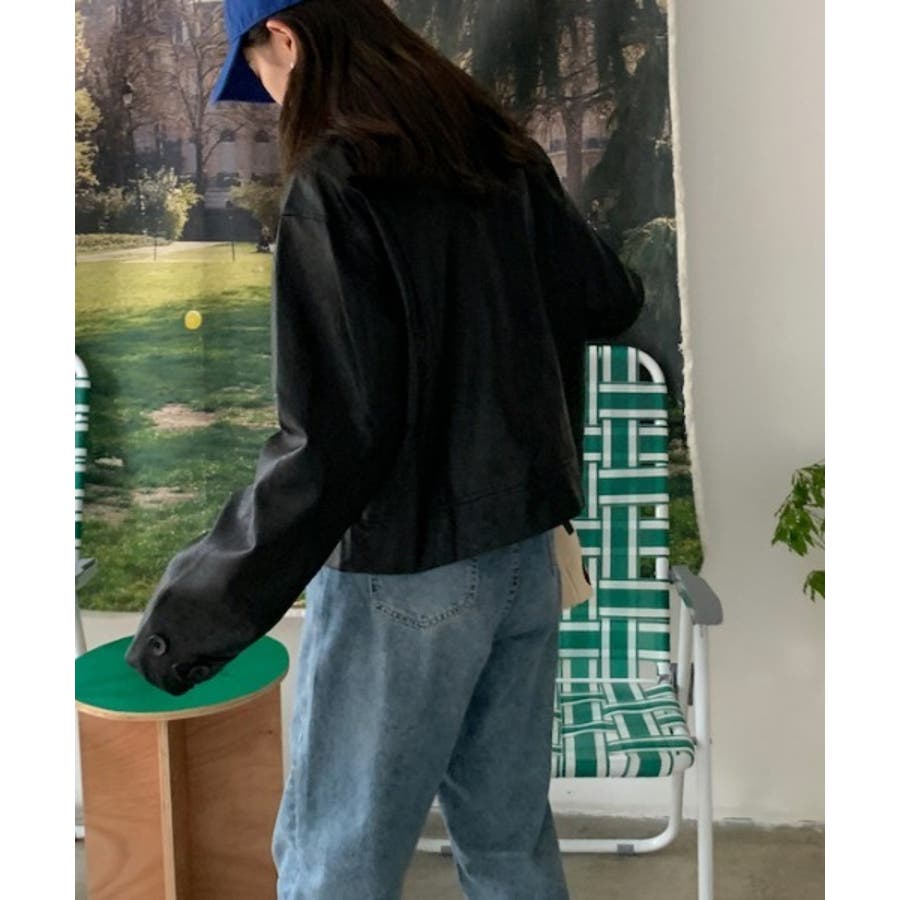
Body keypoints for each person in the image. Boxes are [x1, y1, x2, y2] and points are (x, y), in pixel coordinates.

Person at [125, 1, 644, 898]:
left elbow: (331, 441)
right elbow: (609, 298)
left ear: (287, 39)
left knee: (337, 865)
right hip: (524, 559)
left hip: (406, 577)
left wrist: (190, 618)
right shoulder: (499, 154)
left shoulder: (339, 179)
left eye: (261, 73)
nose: (271, 98)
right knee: (509, 846)